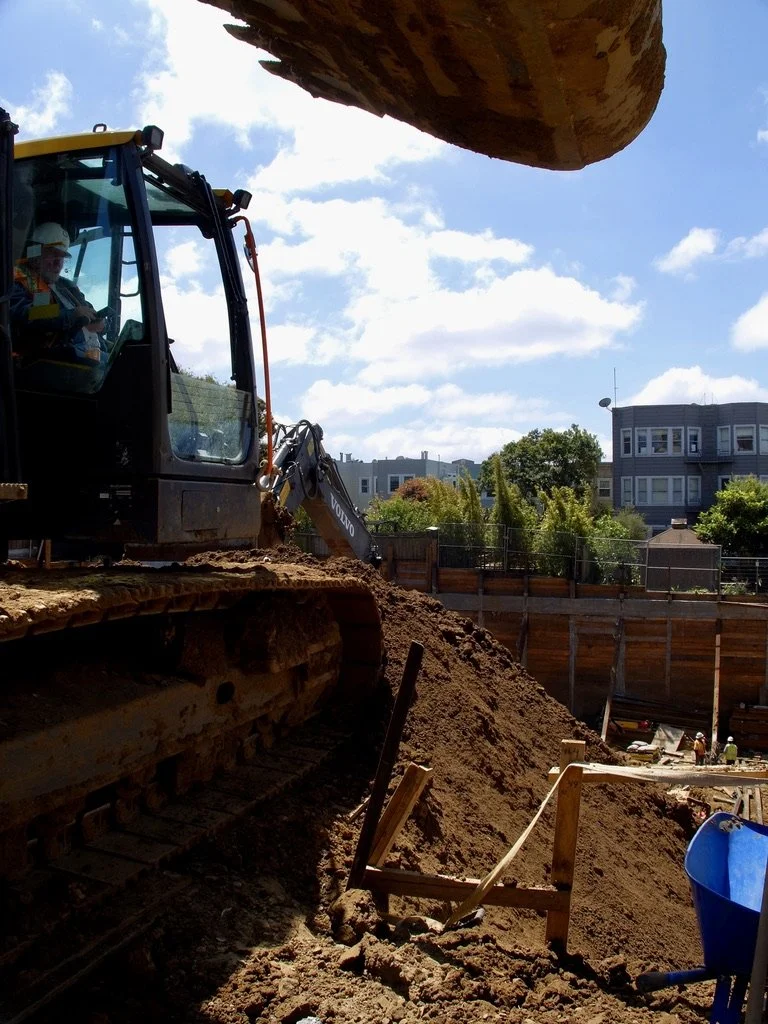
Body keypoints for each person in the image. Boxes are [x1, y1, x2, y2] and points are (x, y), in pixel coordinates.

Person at [10, 222, 106, 365]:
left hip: (87, 352)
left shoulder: (67, 287)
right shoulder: (21, 280)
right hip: (43, 361)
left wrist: (99, 323)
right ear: (34, 253)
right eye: (53, 254)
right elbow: (27, 314)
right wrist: (72, 316)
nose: (58, 263)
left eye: (61, 257)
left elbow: (87, 311)